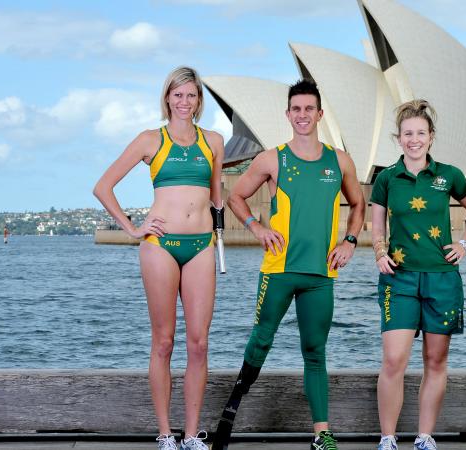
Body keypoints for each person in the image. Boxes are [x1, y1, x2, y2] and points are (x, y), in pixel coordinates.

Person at [220, 79, 365, 450]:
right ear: (288, 114)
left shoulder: (340, 160)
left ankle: (322, 435)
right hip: (279, 269)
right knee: (261, 341)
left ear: (319, 114)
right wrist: (256, 228)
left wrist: (349, 241)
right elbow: (235, 195)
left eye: (308, 109)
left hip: (321, 275)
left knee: (315, 352)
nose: (302, 115)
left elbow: (358, 204)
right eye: (295, 109)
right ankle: (229, 416)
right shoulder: (272, 158)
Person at [93, 66, 224, 450]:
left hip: (200, 245)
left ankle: (191, 435)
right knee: (164, 341)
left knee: (199, 343)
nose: (184, 102)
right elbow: (103, 186)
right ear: (167, 97)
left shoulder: (213, 141)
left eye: (192, 95)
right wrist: (133, 228)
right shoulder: (151, 139)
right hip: (159, 247)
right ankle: (166, 434)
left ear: (199, 101)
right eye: (178, 94)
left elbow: (216, 195)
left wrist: (224, 226)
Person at [371, 100, 466, 450]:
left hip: (441, 279)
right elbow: (376, 227)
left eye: (421, 133)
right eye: (408, 134)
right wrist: (378, 252)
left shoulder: (448, 175)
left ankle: (424, 437)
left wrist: (464, 243)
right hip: (399, 278)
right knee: (393, 359)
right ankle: (387, 438)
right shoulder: (386, 178)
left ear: (431, 137)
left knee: (435, 360)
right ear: (398, 138)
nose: (414, 139)